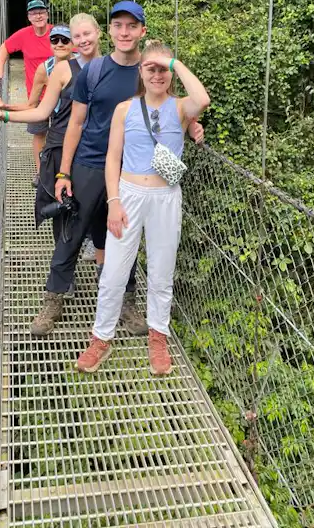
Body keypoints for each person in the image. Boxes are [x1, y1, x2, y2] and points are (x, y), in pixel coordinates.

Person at [27, 1, 204, 339]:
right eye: (118, 26)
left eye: (131, 26)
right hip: (91, 162)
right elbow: (75, 123)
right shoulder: (93, 71)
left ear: (142, 31)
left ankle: (126, 301)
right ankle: (53, 298)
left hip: (133, 171)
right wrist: (64, 173)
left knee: (123, 236)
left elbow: (168, 106)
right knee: (72, 232)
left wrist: (194, 125)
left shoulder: (151, 69)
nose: (124, 32)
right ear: (109, 30)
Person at [76, 41, 210, 376]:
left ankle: (158, 336)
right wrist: (113, 202)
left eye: (162, 69)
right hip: (129, 194)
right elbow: (111, 158)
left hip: (166, 198)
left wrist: (172, 60)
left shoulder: (181, 109)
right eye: (150, 67)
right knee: (114, 273)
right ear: (140, 71)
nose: (157, 74)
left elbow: (203, 99)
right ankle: (101, 338)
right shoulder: (125, 109)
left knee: (162, 272)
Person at [0, 15, 102, 270]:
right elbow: (39, 108)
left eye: (66, 39)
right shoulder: (51, 69)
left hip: (94, 148)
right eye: (57, 40)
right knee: (64, 208)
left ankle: (99, 265)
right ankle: (65, 275)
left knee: (94, 206)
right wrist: (6, 112)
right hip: (61, 142)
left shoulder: (106, 66)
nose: (61, 44)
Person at [0, 0, 52, 177]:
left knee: (63, 134)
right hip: (35, 97)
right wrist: (0, 69)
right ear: (29, 17)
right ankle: (40, 172)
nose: (38, 16)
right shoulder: (24, 35)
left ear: (47, 14)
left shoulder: (56, 34)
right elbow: (4, 47)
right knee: (39, 134)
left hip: (60, 94)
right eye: (34, 13)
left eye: (41, 12)